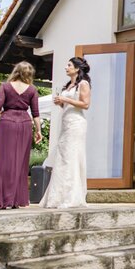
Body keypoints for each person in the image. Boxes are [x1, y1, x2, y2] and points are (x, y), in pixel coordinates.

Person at [0, 62, 42, 210]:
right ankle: (16, 199)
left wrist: (3, 114)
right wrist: (38, 130)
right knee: (20, 162)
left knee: (2, 161)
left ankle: (0, 198)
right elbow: (36, 113)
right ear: (29, 74)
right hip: (24, 124)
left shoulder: (5, 86)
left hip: (7, 123)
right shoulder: (32, 90)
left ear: (15, 71)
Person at [41, 57, 90, 209]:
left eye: (69, 65)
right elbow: (68, 106)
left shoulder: (83, 84)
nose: (66, 67)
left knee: (71, 157)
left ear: (77, 68)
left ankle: (71, 197)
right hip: (66, 122)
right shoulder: (69, 85)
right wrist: (61, 103)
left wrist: (65, 100)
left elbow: (85, 104)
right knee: (62, 157)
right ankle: (57, 197)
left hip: (76, 123)